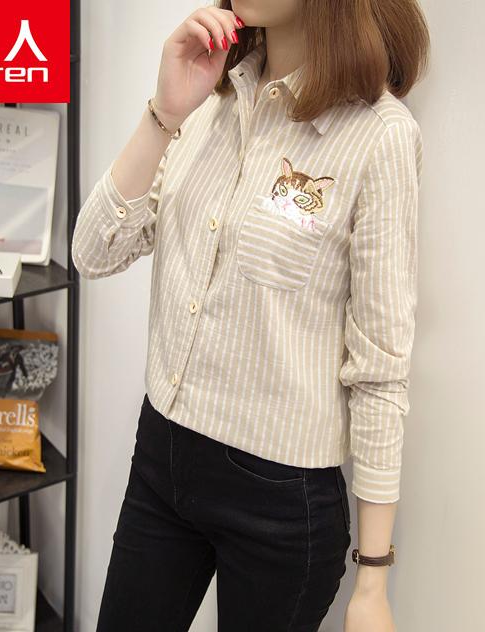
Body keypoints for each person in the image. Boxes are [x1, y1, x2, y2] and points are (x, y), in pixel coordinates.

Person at [72, 1, 429, 630]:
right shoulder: (208, 96)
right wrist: (164, 114)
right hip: (162, 458)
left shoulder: (378, 135)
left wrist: (372, 580)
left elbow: (379, 366)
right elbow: (94, 252)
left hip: (280, 503)